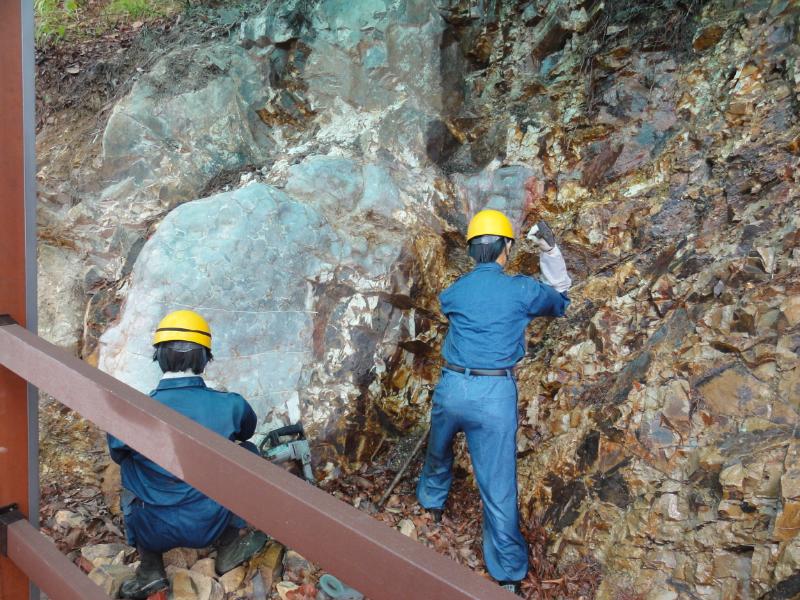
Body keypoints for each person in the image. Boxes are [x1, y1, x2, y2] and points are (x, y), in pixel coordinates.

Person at [416, 209, 571, 596]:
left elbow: (450, 306)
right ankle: (508, 575)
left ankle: (431, 506)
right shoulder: (520, 289)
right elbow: (561, 300)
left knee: (438, 451)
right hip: (493, 393)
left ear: (472, 251)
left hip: (452, 387)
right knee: (498, 485)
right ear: (505, 247)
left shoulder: (455, 292)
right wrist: (550, 252)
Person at [109, 309, 268, 599]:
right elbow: (247, 429)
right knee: (247, 451)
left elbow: (117, 454)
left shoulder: (131, 411)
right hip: (210, 523)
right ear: (205, 358)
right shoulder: (230, 405)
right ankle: (229, 543)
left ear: (158, 357)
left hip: (151, 528)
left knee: (129, 462)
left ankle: (150, 569)